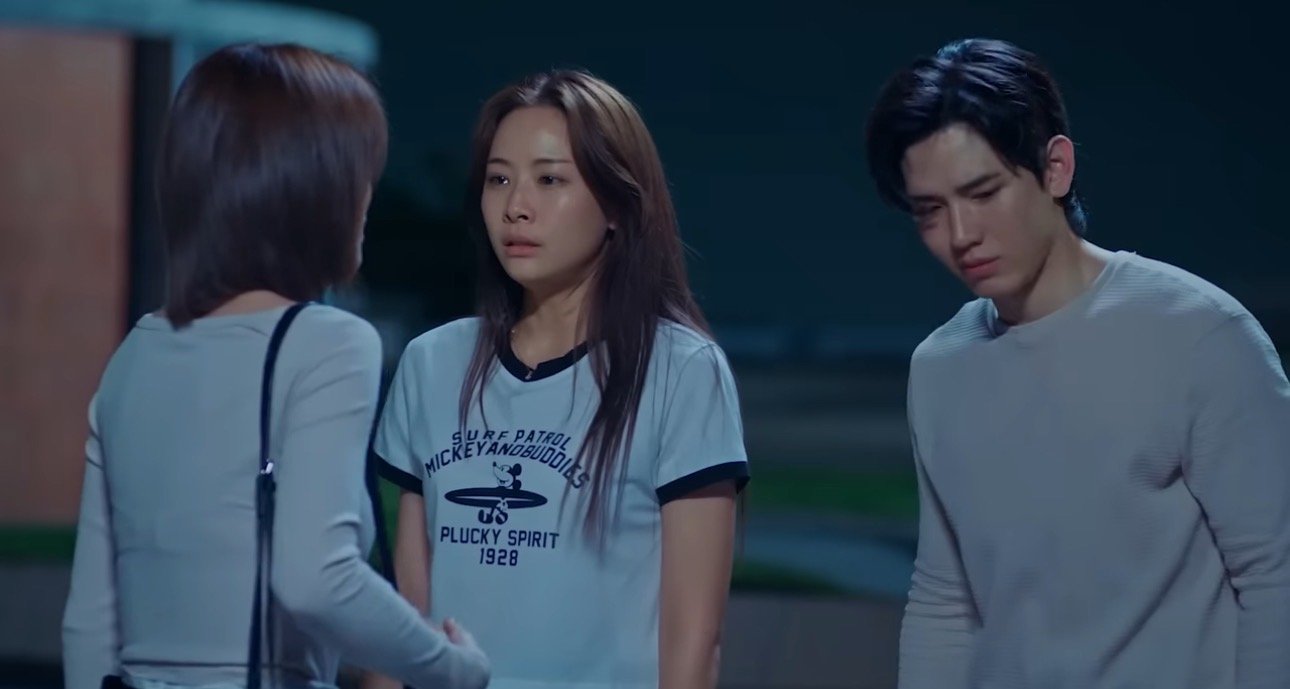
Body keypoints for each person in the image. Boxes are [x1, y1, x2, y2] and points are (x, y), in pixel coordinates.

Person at [864, 37, 1290, 688]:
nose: (961, 234)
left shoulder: (1199, 334)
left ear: (1056, 167)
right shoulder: (941, 366)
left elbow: (1274, 574)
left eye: (983, 193)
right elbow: (945, 599)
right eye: (930, 211)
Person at [60, 43, 490, 689]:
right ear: (311, 187)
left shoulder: (134, 355)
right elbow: (318, 577)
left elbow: (90, 621)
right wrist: (451, 666)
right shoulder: (328, 343)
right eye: (358, 171)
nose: (368, 196)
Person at [366, 69, 749, 689]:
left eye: (550, 179)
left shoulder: (681, 370)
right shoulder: (431, 362)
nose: (516, 206)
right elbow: (408, 614)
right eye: (499, 179)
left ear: (618, 204)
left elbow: (694, 640)